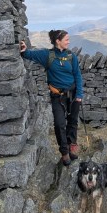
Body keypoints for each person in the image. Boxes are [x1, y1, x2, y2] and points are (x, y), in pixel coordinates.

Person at [20, 30, 84, 166]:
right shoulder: (47, 55)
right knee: (59, 123)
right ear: (58, 41)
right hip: (57, 96)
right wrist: (24, 50)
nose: (69, 41)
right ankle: (64, 151)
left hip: (72, 94)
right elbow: (30, 54)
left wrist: (79, 95)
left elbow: (77, 75)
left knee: (72, 121)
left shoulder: (71, 56)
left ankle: (72, 145)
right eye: (66, 39)